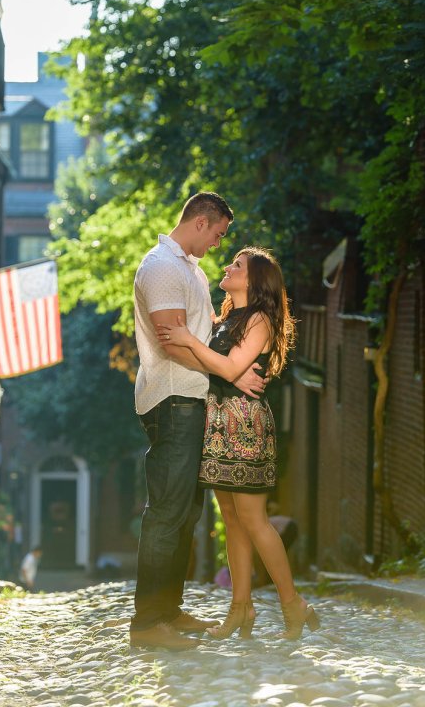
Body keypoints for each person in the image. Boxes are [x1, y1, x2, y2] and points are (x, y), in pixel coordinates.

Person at [158, 246, 320, 641]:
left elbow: (230, 367)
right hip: (217, 422)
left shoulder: (260, 320)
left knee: (253, 520)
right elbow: (223, 368)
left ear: (255, 279)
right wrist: (199, 346)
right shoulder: (228, 317)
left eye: (237, 265)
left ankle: (292, 603)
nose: (228, 268)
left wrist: (188, 340)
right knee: (231, 520)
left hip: (244, 424)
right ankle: (240, 608)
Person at [129, 192, 266, 651]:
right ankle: (149, 623)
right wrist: (228, 371)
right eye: (220, 234)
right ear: (202, 223)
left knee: (186, 512)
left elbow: (203, 332)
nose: (219, 243)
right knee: (167, 511)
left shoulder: (189, 268)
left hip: (192, 398)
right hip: (171, 399)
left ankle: (168, 609)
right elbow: (172, 342)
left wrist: (235, 365)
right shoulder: (162, 267)